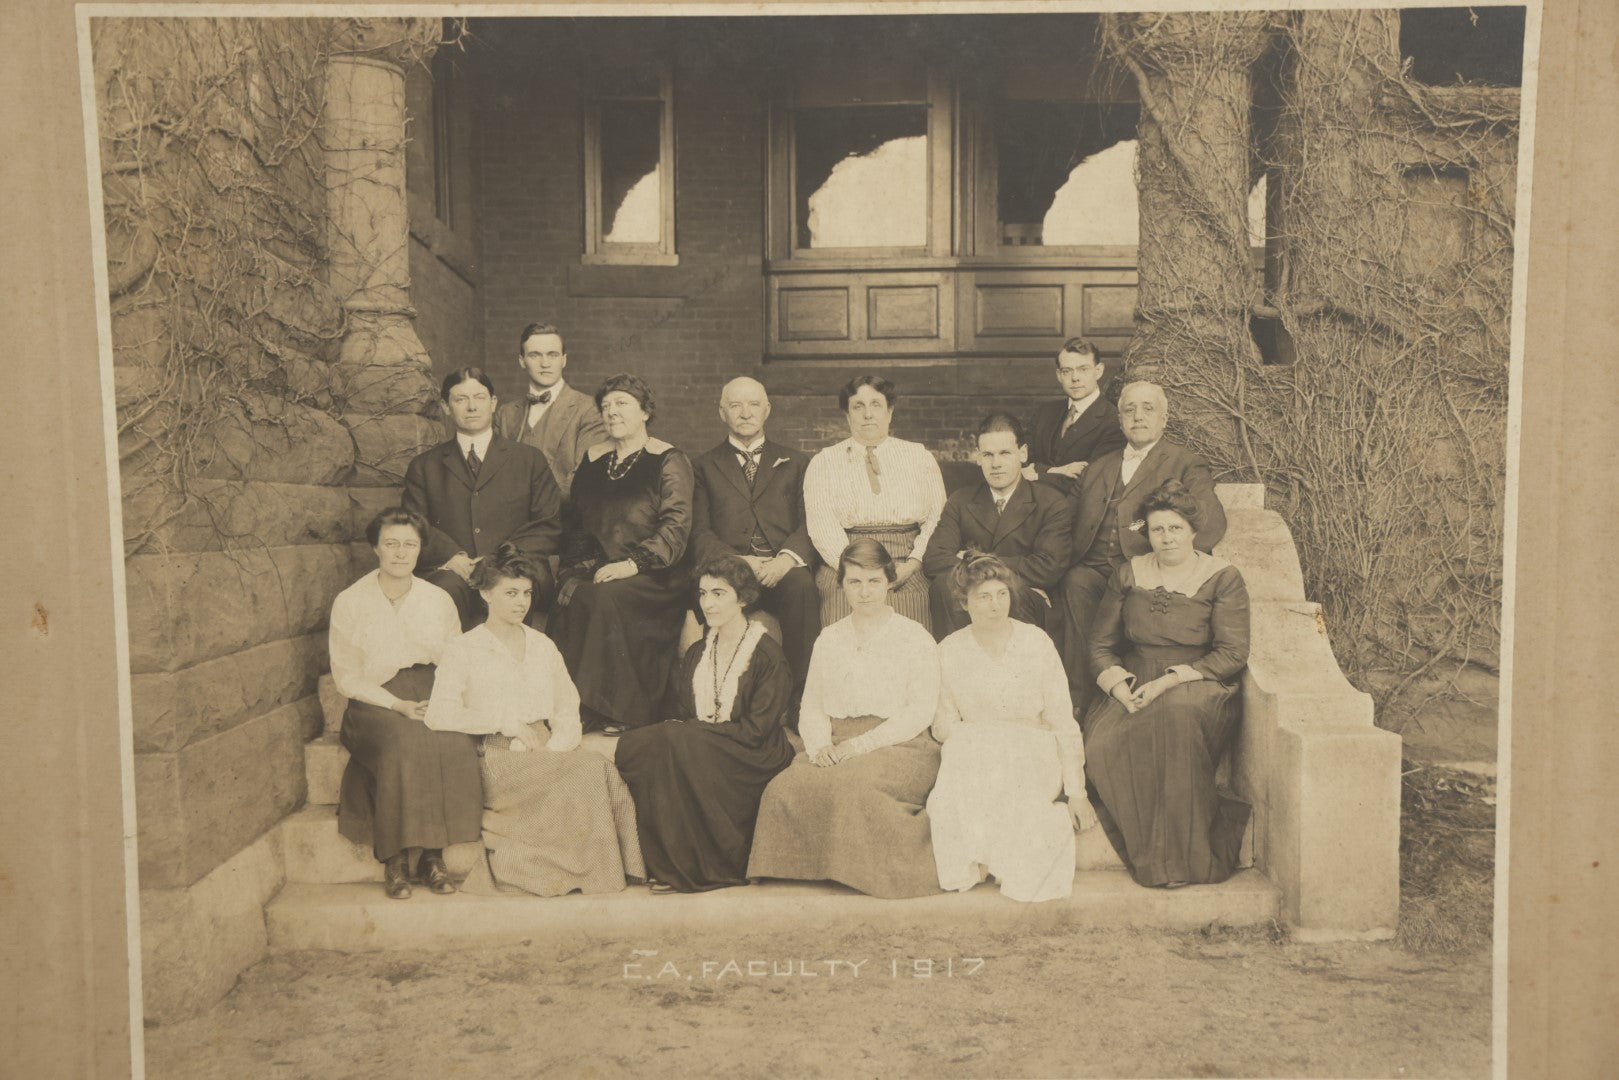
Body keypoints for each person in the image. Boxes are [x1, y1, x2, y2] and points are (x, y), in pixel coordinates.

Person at [424, 545, 644, 896]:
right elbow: (439, 714)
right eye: (510, 593)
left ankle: (597, 872)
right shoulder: (464, 648)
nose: (521, 602)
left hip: (544, 748)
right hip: (497, 755)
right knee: (586, 772)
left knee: (595, 766)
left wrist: (556, 746)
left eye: (526, 593)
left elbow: (567, 707)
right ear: (485, 594)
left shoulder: (543, 645)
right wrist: (505, 723)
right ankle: (575, 874)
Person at [747, 539, 943, 898]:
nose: (865, 592)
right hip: (838, 741)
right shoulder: (829, 638)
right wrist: (820, 746)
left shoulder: (915, 637)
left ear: (889, 583)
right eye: (855, 582)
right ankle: (809, 871)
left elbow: (919, 710)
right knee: (785, 787)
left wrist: (862, 745)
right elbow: (814, 704)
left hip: (902, 744)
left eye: (873, 582)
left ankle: (868, 872)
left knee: (854, 787)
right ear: (842, 585)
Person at [1081, 480, 1251, 888]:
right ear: (1147, 533)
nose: (1166, 537)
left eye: (1175, 528)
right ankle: (1152, 854)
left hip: (1201, 682)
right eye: (1157, 529)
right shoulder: (1129, 573)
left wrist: (1169, 682)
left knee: (1173, 720)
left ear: (1194, 531)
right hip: (1137, 676)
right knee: (1101, 744)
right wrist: (1119, 686)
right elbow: (1100, 644)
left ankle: (1184, 862)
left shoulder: (1221, 576)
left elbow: (1232, 653)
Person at [614, 555, 796, 893]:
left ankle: (711, 867)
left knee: (675, 740)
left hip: (754, 755)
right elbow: (687, 713)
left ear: (742, 598)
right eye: (702, 594)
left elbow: (758, 730)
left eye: (718, 593)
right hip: (706, 747)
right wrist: (694, 734)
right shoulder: (698, 652)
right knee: (658, 748)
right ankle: (672, 864)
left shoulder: (767, 655)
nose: (707, 603)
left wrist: (695, 734)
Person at [329, 508, 481, 900]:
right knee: (404, 741)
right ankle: (394, 859)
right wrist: (396, 705)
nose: (400, 553)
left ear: (420, 551)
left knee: (451, 741)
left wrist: (444, 701)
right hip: (373, 701)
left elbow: (455, 659)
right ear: (376, 548)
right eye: (392, 544)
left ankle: (432, 857)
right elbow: (347, 677)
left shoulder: (438, 599)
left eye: (409, 545)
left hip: (429, 687)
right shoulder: (350, 601)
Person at [928, 555, 1098, 902]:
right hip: (975, 753)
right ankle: (976, 860)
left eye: (1002, 594)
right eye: (984, 597)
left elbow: (1062, 720)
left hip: (1031, 752)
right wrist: (981, 735)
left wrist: (1076, 791)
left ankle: (1004, 860)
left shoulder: (1036, 642)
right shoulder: (949, 650)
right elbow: (942, 724)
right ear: (964, 603)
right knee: (965, 762)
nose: (995, 605)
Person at [1057, 381, 1227, 708]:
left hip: (1144, 567)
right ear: (1119, 420)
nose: (1138, 416)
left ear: (1164, 419)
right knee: (1075, 581)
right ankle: (1079, 703)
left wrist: (1169, 561)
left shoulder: (1185, 463)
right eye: (1129, 410)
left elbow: (1209, 520)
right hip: (1092, 569)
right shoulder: (1099, 467)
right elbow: (1064, 521)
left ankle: (1110, 699)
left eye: (1148, 408)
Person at [550, 373, 695, 734]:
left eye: (622, 404)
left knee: (606, 598)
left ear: (645, 411)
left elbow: (675, 528)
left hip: (655, 574)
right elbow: (578, 523)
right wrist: (572, 571)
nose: (611, 412)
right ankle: (576, 705)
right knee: (572, 596)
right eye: (606, 406)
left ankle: (624, 710)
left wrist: (632, 564)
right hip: (601, 569)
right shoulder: (593, 460)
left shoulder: (668, 459)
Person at [403, 367, 563, 631]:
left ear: (493, 403)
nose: (471, 407)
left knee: (512, 586)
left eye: (479, 397)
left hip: (515, 565)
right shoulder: (424, 466)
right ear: (445, 407)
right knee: (442, 591)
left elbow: (548, 524)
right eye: (460, 399)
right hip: (455, 571)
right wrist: (453, 557)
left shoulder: (529, 459)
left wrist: (496, 559)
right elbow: (415, 525)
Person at [690, 376, 819, 699]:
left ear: (767, 410)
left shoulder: (798, 463)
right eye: (735, 405)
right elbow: (699, 530)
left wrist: (786, 559)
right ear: (722, 413)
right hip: (729, 568)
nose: (745, 413)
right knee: (715, 590)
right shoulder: (702, 466)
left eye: (753, 405)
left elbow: (811, 522)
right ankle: (719, 696)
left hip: (780, 567)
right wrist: (735, 561)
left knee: (802, 586)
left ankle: (800, 697)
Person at [803, 375, 945, 633]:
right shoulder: (824, 462)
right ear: (847, 415)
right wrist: (856, 572)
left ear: (889, 412)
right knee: (844, 604)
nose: (868, 414)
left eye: (876, 405)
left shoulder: (918, 457)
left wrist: (913, 564)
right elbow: (821, 526)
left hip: (907, 560)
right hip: (845, 560)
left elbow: (937, 518)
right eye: (858, 406)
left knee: (917, 606)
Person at [921, 412, 1073, 638]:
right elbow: (934, 558)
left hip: (1022, 596)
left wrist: (975, 560)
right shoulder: (961, 500)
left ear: (1022, 454)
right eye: (988, 455)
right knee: (944, 585)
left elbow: (1048, 568)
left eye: (1004, 453)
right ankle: (958, 666)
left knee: (1006, 593)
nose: (996, 464)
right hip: (971, 597)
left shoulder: (1051, 502)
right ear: (978, 458)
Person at [493, 321, 609, 498]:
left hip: (563, 520)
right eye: (535, 355)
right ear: (522, 361)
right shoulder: (506, 414)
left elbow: (584, 478)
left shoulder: (589, 409)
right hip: (512, 520)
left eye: (552, 355)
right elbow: (494, 475)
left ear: (564, 360)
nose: (545, 363)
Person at [1026, 338, 1126, 497]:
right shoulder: (1044, 413)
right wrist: (1057, 471)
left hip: (1076, 514)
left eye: (1083, 369)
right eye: (1067, 371)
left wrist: (1038, 474)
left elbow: (1089, 480)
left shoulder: (1114, 421)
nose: (1075, 378)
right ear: (1059, 375)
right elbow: (1020, 462)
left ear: (1098, 371)